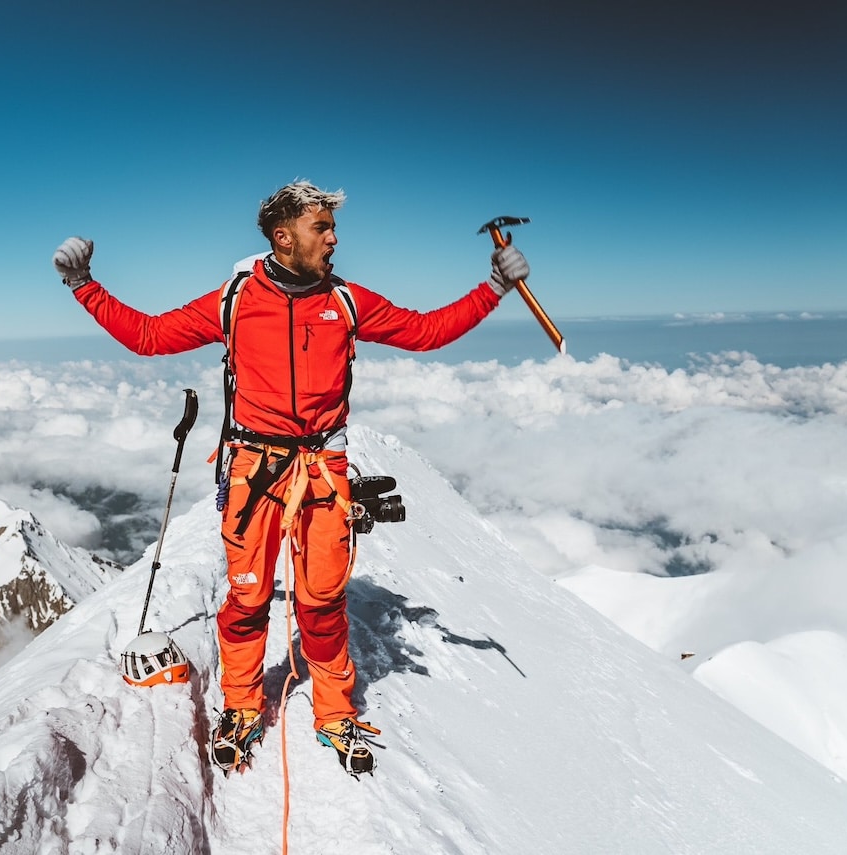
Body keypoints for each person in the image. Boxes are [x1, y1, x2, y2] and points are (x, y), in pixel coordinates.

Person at [53, 181, 530, 776]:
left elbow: (426, 332)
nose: (334, 239)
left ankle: (333, 710)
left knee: (322, 599)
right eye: (322, 228)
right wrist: (83, 285)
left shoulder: (347, 300)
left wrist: (494, 287)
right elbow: (149, 336)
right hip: (255, 468)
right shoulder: (235, 299)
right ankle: (242, 704)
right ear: (284, 237)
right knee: (249, 597)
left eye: (333, 228)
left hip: (323, 469)